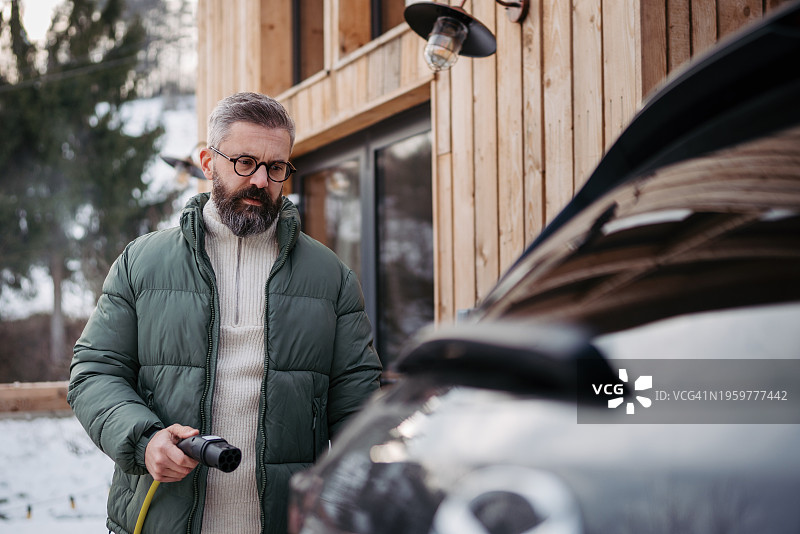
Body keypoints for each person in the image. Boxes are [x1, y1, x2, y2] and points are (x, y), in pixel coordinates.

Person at [68, 91, 383, 534]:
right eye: (244, 162)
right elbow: (94, 371)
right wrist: (144, 440)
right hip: (162, 518)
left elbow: (358, 402)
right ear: (207, 162)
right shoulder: (142, 262)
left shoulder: (331, 277)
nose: (260, 180)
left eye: (276, 167)